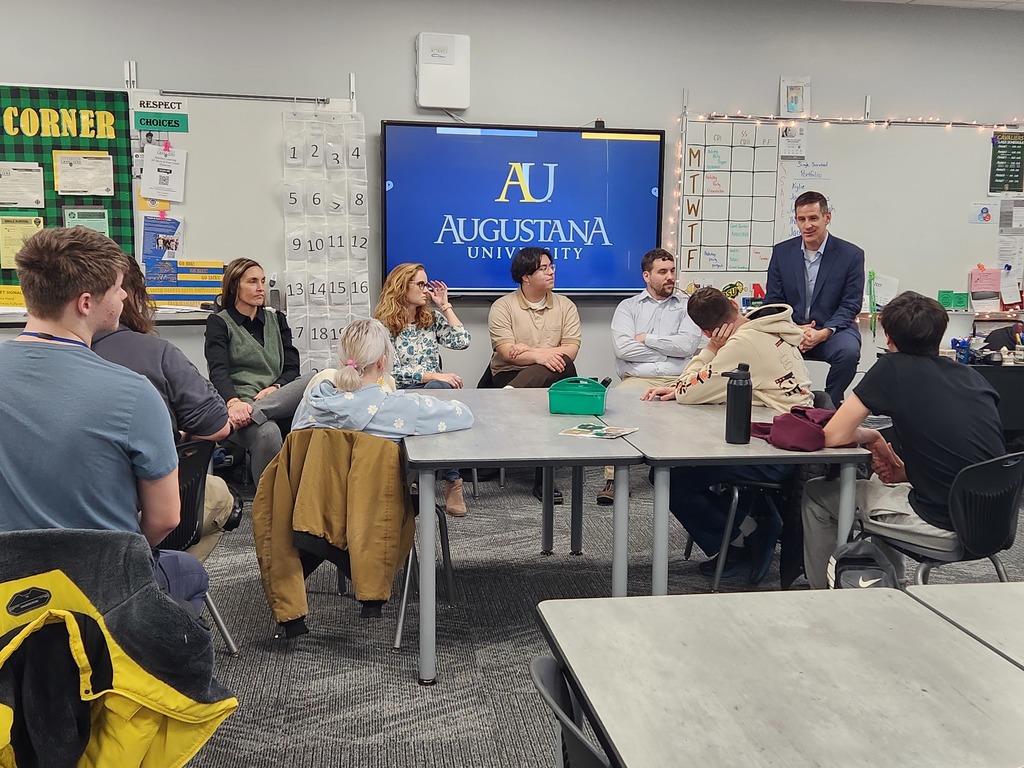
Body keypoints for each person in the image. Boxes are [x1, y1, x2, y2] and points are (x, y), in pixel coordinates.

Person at [0, 227, 207, 613]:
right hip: (101, 596)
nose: (125, 296)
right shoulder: (134, 393)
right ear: (85, 303)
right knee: (190, 573)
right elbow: (165, 518)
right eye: (116, 289)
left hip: (9, 595)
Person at [802, 291, 1004, 589]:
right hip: (995, 522)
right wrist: (905, 472)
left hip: (943, 525)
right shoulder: (971, 376)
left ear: (888, 338)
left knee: (817, 494)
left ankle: (825, 595)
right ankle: (888, 585)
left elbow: (834, 435)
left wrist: (872, 435)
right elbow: (967, 457)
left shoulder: (892, 368)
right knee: (879, 483)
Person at [642, 286, 814, 582]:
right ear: (734, 305)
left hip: (772, 455)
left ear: (706, 332)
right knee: (683, 469)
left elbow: (686, 390)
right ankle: (745, 532)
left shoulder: (740, 345)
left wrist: (711, 349)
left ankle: (748, 534)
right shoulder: (771, 327)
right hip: (790, 442)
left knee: (668, 477)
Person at [93, 255, 236, 542]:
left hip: (47, 525)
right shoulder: (155, 355)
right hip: (130, 516)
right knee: (220, 498)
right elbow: (218, 426)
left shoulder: (34, 366)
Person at [597, 248, 702, 505]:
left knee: (702, 409)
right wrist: (670, 352)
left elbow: (688, 346)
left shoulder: (688, 306)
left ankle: (686, 477)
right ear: (647, 276)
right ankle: (614, 479)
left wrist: (648, 339)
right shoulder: (628, 307)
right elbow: (623, 349)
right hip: (637, 380)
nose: (670, 277)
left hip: (679, 379)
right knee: (616, 406)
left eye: (672, 271)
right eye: (662, 272)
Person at [374, 262, 472, 515]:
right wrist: (432, 374)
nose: (426, 290)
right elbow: (389, 372)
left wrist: (445, 306)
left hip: (432, 391)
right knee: (437, 395)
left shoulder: (431, 320)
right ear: (401, 286)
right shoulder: (382, 326)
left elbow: (462, 341)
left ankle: (453, 482)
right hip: (400, 392)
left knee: (440, 392)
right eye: (420, 284)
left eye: (427, 284)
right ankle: (422, 477)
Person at [488, 247, 581, 503]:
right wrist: (540, 356)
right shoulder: (502, 306)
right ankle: (544, 479)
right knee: (544, 398)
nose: (551, 272)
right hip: (510, 374)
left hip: (553, 374)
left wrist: (532, 352)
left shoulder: (566, 305)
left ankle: (508, 398)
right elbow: (508, 354)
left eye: (552, 267)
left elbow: (570, 352)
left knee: (560, 365)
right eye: (544, 268)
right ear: (526, 276)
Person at [205, 258, 307, 487]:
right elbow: (218, 372)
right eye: (252, 281)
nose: (261, 288)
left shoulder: (277, 320)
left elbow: (292, 368)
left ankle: (256, 412)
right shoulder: (219, 323)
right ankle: (268, 501)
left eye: (262, 281)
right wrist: (234, 403)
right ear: (234, 286)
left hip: (276, 400)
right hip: (239, 406)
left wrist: (275, 388)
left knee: (320, 378)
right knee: (268, 432)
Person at [292, 318, 474, 438]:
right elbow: (464, 415)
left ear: (342, 360)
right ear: (382, 362)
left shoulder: (312, 402)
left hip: (314, 487)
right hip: (373, 488)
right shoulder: (404, 408)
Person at [764, 190, 864, 407]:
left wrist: (824, 332)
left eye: (813, 218)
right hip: (791, 329)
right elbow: (773, 301)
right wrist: (792, 328)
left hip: (832, 331)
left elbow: (850, 304)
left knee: (848, 352)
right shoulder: (782, 253)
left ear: (827, 218)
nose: (807, 225)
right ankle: (784, 401)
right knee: (757, 346)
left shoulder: (851, 255)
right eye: (801, 219)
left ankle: (829, 404)